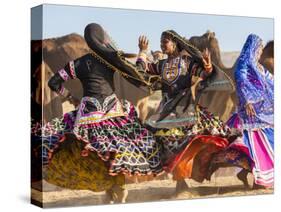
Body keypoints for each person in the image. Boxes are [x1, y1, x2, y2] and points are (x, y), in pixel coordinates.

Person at [31, 23, 164, 202]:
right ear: (102, 39)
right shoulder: (111, 60)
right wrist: (142, 51)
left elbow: (53, 83)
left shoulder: (76, 64)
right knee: (119, 149)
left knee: (92, 151)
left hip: (87, 115)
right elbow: (138, 74)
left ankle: (109, 190)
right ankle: (118, 187)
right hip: (113, 112)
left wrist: (70, 97)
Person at [136, 30, 234, 192]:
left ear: (174, 43)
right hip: (166, 113)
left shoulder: (187, 62)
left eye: (165, 41)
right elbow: (141, 70)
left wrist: (208, 65)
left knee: (189, 142)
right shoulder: (160, 65)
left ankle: (184, 179)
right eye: (161, 41)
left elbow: (204, 74)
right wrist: (142, 51)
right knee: (165, 146)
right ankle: (180, 181)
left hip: (185, 109)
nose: (161, 44)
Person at [226, 34, 274, 188]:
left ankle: (246, 173)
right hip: (251, 114)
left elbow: (270, 81)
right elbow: (241, 82)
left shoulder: (257, 66)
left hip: (265, 112)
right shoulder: (244, 64)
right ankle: (259, 180)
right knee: (257, 145)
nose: (260, 52)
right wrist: (247, 101)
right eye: (259, 49)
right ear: (252, 48)